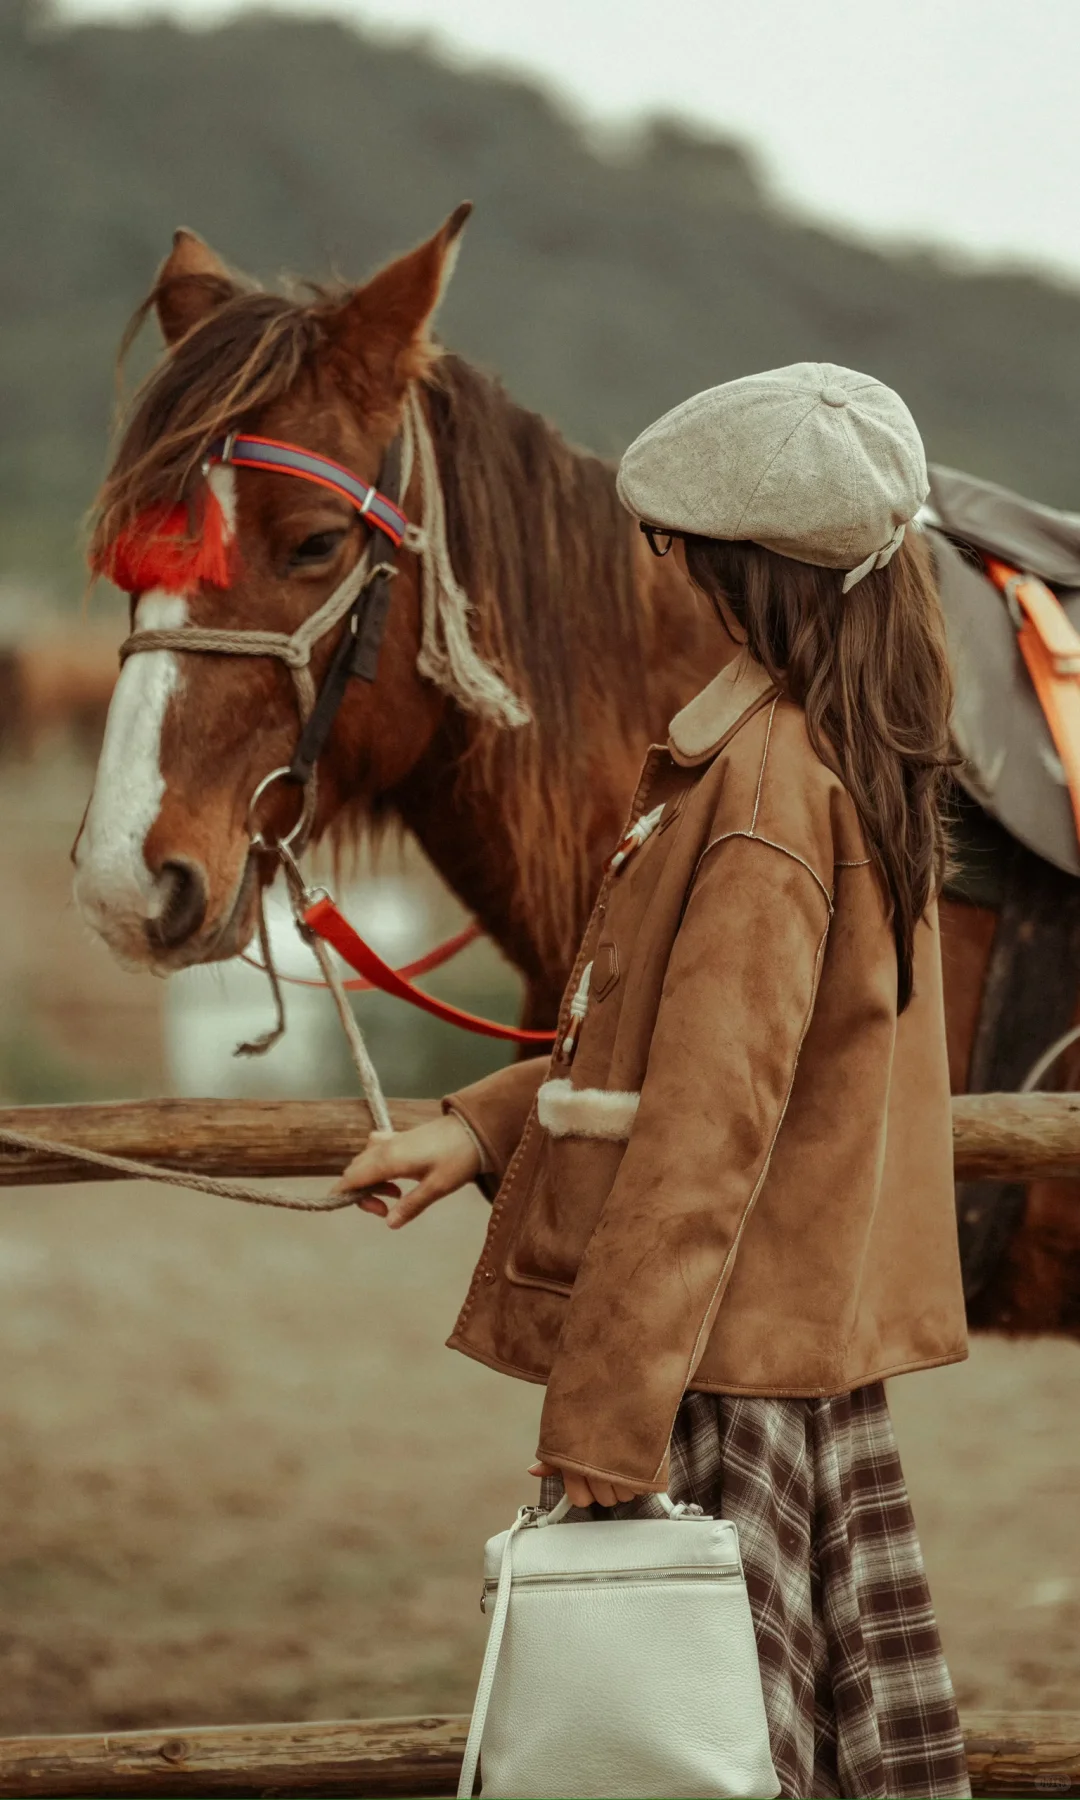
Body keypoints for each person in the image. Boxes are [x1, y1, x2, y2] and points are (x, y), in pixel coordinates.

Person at [334, 362, 972, 1800]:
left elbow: (707, 1129)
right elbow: (683, 1044)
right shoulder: (835, 754)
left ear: (737, 580)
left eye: (665, 551)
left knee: (699, 1757)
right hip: (787, 1363)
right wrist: (474, 1133)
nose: (650, 580)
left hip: (713, 1375)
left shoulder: (756, 790)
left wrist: (609, 1427)